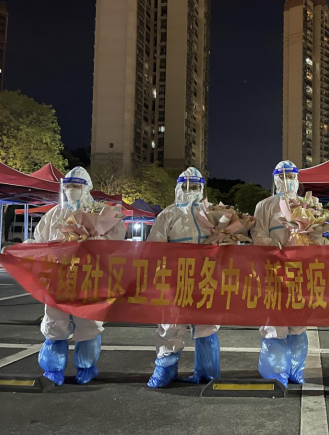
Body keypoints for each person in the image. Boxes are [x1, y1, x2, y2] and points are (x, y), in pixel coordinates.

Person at [27, 166, 126, 386]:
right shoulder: (54, 214)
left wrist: (95, 242)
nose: (71, 190)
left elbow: (117, 242)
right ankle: (53, 368)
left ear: (87, 188)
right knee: (55, 321)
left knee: (88, 322)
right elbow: (39, 241)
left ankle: (86, 366)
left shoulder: (100, 212)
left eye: (76, 186)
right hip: (58, 278)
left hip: (89, 277)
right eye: (68, 186)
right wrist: (22, 249)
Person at [146, 167, 221, 388]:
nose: (191, 191)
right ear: (179, 188)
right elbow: (154, 247)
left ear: (202, 189)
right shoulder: (168, 214)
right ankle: (165, 369)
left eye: (196, 186)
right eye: (187, 186)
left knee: (207, 323)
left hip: (205, 277)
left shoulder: (212, 214)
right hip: (175, 277)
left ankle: (208, 371)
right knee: (170, 323)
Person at [251, 160, 308, 387]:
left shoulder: (306, 205)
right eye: (282, 176)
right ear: (275, 179)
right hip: (272, 271)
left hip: (299, 273)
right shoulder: (264, 206)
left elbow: (316, 237)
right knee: (274, 322)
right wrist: (272, 244)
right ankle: (275, 372)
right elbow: (257, 234)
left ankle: (296, 370)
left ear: (297, 179)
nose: (287, 180)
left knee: (298, 322)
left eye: (291, 176)